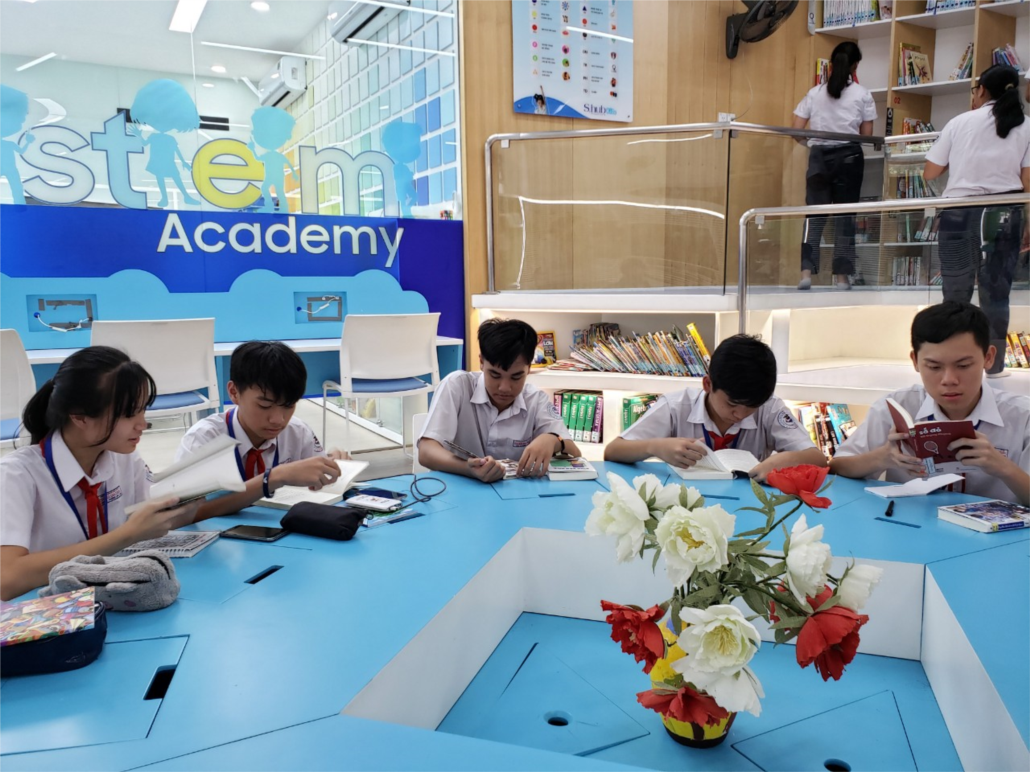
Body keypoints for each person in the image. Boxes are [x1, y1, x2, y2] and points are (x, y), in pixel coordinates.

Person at [0, 347, 199, 601]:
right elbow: (6, 579)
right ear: (80, 418)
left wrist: (187, 501)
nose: (143, 424)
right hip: (45, 610)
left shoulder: (123, 458)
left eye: (143, 409)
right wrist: (126, 535)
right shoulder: (17, 474)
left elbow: (151, 521)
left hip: (109, 599)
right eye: (129, 414)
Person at [831, 302, 1030, 505]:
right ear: (915, 361)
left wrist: (1003, 467)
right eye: (934, 367)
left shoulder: (1023, 416)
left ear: (988, 358)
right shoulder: (895, 407)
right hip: (909, 522)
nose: (949, 379)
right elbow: (837, 467)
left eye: (963, 365)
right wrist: (883, 457)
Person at [923, 64, 1030, 377]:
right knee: (996, 292)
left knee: (955, 293)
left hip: (958, 213)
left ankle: (953, 363)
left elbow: (930, 172)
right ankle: (993, 366)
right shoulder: (1026, 125)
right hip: (1004, 213)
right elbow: (1028, 182)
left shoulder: (959, 122)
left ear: (981, 90)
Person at [603, 334, 826, 480]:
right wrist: (654, 447)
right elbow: (613, 451)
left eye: (752, 407)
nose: (740, 414)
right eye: (732, 404)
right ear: (708, 384)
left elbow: (818, 459)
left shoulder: (770, 407)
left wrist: (786, 460)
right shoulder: (675, 407)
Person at [177, 342, 347, 520]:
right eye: (264, 405)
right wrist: (273, 478)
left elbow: (322, 486)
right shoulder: (203, 439)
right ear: (234, 392)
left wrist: (332, 464)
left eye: (289, 405)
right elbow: (185, 514)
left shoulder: (298, 432)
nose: (278, 420)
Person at [417, 318, 579, 482]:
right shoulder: (457, 386)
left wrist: (553, 440)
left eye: (516, 377)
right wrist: (468, 468)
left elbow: (576, 455)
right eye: (495, 375)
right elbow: (426, 451)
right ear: (481, 362)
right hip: (459, 488)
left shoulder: (536, 400)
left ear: (529, 368)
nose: (504, 388)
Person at [792, 41, 876, 291]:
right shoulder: (862, 94)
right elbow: (867, 135)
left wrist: (812, 145)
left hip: (819, 156)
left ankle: (806, 273)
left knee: (814, 216)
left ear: (831, 64)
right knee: (845, 218)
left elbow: (796, 129)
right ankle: (841, 277)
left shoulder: (814, 93)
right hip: (849, 158)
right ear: (855, 66)